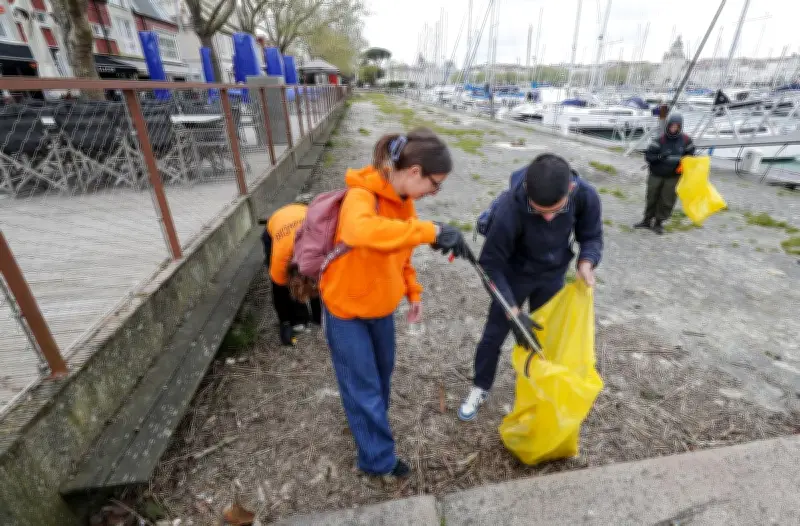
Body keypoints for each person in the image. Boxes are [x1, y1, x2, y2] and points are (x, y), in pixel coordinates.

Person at [320, 128, 468, 477]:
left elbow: (400, 252)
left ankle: (367, 430)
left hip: (381, 309)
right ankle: (377, 460)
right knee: (364, 386)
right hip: (346, 310)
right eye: (435, 184)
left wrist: (412, 292)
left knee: (380, 378)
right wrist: (429, 230)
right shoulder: (361, 195)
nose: (434, 192)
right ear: (415, 172)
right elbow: (360, 232)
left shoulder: (405, 202)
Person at [459, 153, 604, 422]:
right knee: (494, 335)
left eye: (555, 210)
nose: (548, 217)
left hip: (552, 274)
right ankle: (480, 387)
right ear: (527, 192)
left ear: (569, 191)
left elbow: (592, 236)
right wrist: (512, 310)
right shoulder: (509, 209)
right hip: (514, 275)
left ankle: (536, 389)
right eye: (539, 211)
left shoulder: (584, 195)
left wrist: (587, 262)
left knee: (543, 337)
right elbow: (490, 265)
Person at [262, 195, 322, 346]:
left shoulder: (320, 250)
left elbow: (322, 282)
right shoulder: (279, 261)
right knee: (280, 287)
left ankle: (316, 314)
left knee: (316, 282)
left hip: (303, 212)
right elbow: (278, 293)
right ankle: (295, 316)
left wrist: (320, 316)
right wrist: (285, 323)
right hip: (276, 224)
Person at [635, 112, 696, 234]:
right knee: (651, 197)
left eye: (676, 126)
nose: (673, 128)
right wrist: (659, 156)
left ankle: (659, 222)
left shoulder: (686, 140)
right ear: (667, 126)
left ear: (680, 127)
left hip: (673, 176)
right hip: (656, 174)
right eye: (671, 126)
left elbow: (690, 156)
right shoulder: (659, 140)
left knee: (667, 200)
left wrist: (684, 164)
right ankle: (647, 220)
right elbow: (649, 157)